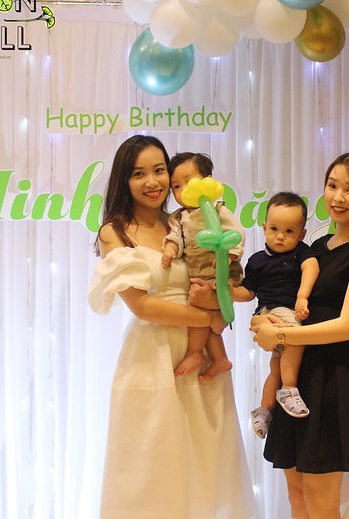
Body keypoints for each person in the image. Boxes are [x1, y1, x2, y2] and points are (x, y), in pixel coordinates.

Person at [88, 135, 255, 519]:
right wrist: (209, 319)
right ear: (124, 180)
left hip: (203, 359)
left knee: (206, 463)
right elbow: (142, 306)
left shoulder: (185, 221)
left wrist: (225, 304)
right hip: (152, 358)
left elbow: (218, 276)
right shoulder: (115, 232)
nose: (152, 182)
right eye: (138, 173)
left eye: (159, 170)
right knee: (151, 466)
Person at [249, 150, 349, 519]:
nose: (338, 197)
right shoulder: (317, 247)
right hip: (298, 376)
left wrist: (281, 337)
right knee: (297, 493)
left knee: (320, 500)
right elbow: (281, 297)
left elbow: (348, 327)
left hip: (336, 378)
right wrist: (264, 322)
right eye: (332, 186)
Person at [230, 192, 320, 438]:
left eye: (289, 231)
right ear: (264, 227)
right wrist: (229, 291)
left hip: (284, 311)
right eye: (274, 229)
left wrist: (302, 296)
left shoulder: (301, 253)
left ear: (301, 234)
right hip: (274, 312)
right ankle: (289, 390)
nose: (280, 236)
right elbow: (248, 292)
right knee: (296, 338)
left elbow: (311, 267)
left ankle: (263, 410)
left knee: (276, 369)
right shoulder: (257, 260)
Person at [162, 152, 245, 380]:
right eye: (176, 187)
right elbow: (175, 237)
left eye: (189, 182)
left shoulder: (218, 209)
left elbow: (235, 232)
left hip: (222, 273)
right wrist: (169, 249)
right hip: (198, 273)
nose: (183, 190)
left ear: (207, 181)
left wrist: (228, 256)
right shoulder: (178, 217)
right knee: (204, 316)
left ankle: (195, 353)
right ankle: (220, 359)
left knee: (200, 311)